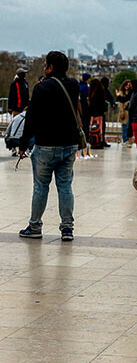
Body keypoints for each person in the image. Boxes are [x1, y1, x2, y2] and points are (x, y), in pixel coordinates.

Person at [18, 51, 83, 241]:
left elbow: (31, 118)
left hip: (46, 144)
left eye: (45, 64)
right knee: (65, 186)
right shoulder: (73, 85)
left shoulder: (42, 88)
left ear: (50, 67)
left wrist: (23, 144)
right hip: (69, 143)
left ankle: (35, 226)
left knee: (40, 187)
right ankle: (67, 229)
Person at [87, 79, 107, 149]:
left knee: (93, 128)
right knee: (100, 129)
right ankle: (99, 142)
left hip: (93, 114)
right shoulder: (101, 91)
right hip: (100, 113)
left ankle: (93, 142)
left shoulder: (91, 93)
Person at [116, 79, 134, 147]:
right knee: (125, 126)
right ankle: (125, 139)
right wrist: (121, 112)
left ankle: (126, 139)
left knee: (128, 126)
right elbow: (121, 104)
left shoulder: (129, 93)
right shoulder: (123, 93)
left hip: (128, 111)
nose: (128, 86)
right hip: (125, 111)